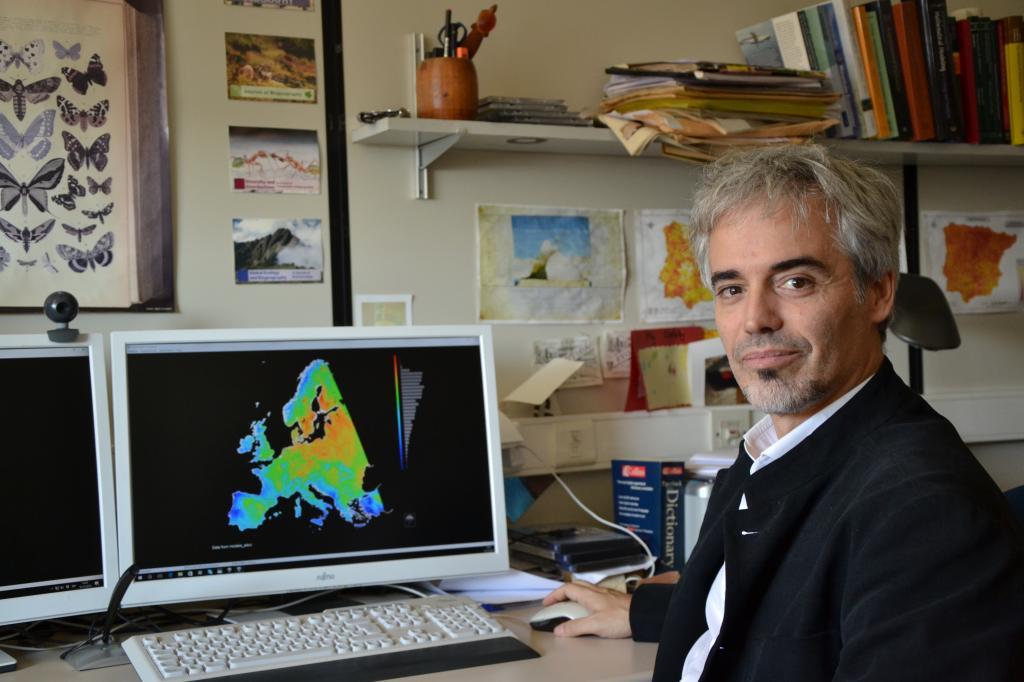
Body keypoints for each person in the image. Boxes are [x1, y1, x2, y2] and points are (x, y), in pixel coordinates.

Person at [542, 144, 1024, 681]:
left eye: (795, 281)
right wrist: (646, 611)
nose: (755, 319)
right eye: (732, 288)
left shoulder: (925, 512)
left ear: (878, 293)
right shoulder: (771, 453)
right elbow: (786, 604)